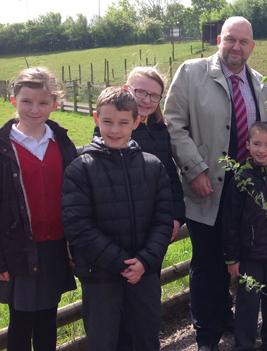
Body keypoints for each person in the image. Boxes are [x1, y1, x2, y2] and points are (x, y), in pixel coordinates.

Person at [164, 16, 267, 350]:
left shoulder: (260, 83)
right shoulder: (192, 73)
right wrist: (194, 169)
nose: (236, 47)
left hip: (246, 191)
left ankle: (227, 317)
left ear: (252, 46)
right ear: (218, 40)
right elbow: (174, 123)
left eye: (243, 41)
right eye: (230, 39)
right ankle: (206, 332)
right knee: (207, 262)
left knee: (237, 256)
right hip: (206, 185)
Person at [62, 87, 172, 351]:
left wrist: (145, 261)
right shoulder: (81, 168)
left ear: (137, 121)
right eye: (108, 122)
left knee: (145, 338)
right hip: (100, 277)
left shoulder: (153, 166)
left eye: (123, 122)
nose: (114, 130)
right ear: (96, 118)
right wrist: (121, 263)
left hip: (144, 275)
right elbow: (78, 225)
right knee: (105, 341)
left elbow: (163, 219)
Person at [0, 67, 76, 351]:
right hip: (18, 247)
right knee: (21, 319)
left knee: (47, 316)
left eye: (43, 102)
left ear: (55, 103)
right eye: (26, 101)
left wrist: (73, 247)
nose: (35, 109)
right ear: (13, 100)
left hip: (55, 246)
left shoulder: (62, 143)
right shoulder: (3, 148)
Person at [222, 121, 267, 351]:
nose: (262, 150)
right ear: (248, 145)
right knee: (248, 303)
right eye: (257, 144)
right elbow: (230, 220)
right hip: (250, 253)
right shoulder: (241, 178)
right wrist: (232, 257)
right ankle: (244, 344)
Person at [95, 66, 185, 242]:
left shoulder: (160, 129)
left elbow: (171, 175)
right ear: (126, 89)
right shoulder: (115, 133)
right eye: (141, 92)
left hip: (158, 219)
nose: (147, 100)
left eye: (154, 96)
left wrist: (176, 215)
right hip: (123, 223)